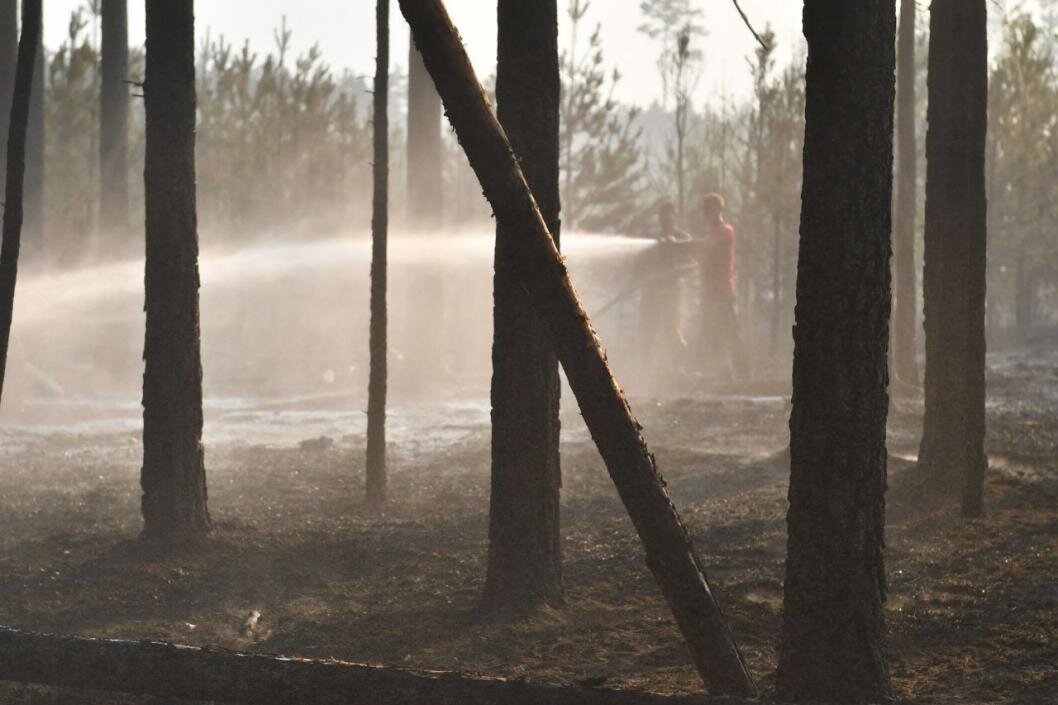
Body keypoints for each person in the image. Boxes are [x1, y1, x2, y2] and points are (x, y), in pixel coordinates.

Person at [693, 193, 749, 380]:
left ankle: (743, 373)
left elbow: (706, 247)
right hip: (709, 294)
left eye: (709, 209)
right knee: (713, 335)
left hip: (723, 293)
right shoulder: (709, 234)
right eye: (705, 210)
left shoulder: (726, 231)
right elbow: (700, 253)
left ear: (718, 209)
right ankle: (724, 374)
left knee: (731, 333)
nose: (706, 213)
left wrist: (681, 245)